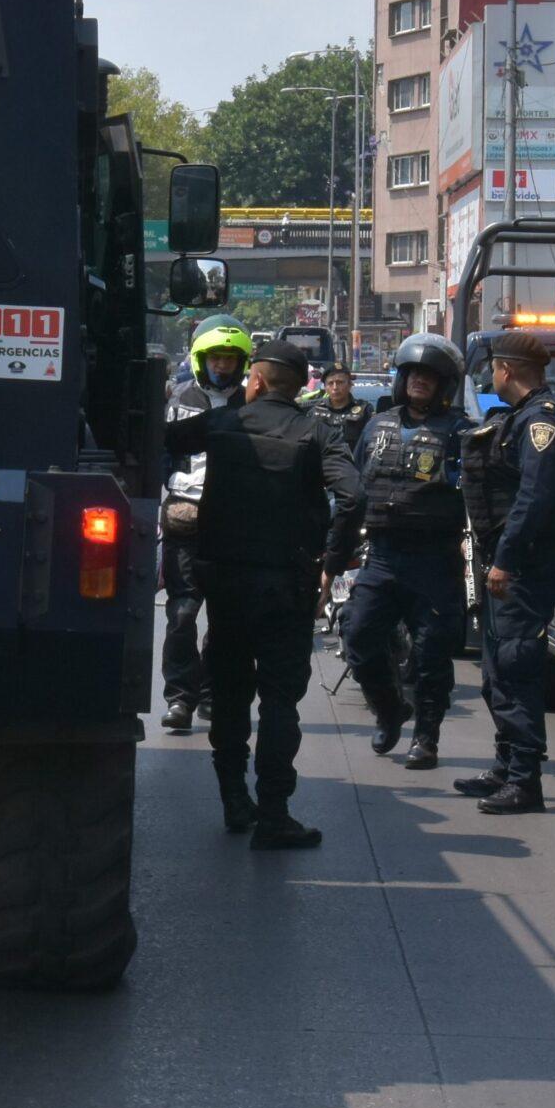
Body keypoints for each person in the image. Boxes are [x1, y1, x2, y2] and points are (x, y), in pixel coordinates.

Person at [164, 338, 362, 849]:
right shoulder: (316, 432)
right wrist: (331, 565)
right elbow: (353, 495)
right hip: (288, 588)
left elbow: (159, 441)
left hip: (226, 585)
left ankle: (234, 799)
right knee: (279, 701)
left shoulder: (223, 424)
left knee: (229, 695)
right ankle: (274, 813)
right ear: (301, 387)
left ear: (255, 381)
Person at [326, 334, 471, 769]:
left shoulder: (461, 433)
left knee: (432, 654)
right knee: (357, 632)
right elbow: (350, 487)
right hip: (383, 555)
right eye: (414, 374)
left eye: (429, 376)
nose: (420, 382)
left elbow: (477, 496)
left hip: (435, 559)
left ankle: (426, 738)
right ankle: (389, 709)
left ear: (444, 384)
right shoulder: (377, 425)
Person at [453, 330, 555, 815]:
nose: (492, 377)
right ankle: (506, 766)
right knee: (495, 672)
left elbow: (534, 499)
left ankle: (525, 780)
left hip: (523, 567)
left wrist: (505, 559)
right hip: (505, 563)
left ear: (508, 370)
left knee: (517, 668)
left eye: (495, 369)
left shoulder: (541, 424)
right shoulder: (521, 419)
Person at [158, 316, 251, 732]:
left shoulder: (252, 405)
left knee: (226, 618)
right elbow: (156, 456)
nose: (223, 366)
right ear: (201, 359)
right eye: (216, 358)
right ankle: (180, 697)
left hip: (235, 525)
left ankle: (213, 695)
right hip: (184, 520)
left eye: (231, 359)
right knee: (181, 615)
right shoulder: (175, 399)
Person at [309, 364, 374, 448]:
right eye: (330, 383)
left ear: (350, 385)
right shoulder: (316, 411)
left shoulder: (364, 410)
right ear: (325, 387)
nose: (335, 387)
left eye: (340, 382)